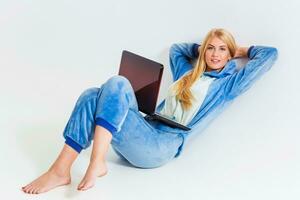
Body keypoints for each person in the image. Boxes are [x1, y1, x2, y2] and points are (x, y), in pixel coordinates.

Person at [21, 28, 278, 194]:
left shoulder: (228, 86)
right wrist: (202, 48)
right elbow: (178, 49)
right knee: (93, 93)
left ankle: (96, 161)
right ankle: (60, 170)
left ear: (230, 53)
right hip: (146, 129)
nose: (215, 53)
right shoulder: (187, 75)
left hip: (160, 146)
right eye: (211, 47)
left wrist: (239, 50)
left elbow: (270, 55)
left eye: (222, 49)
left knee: (119, 83)